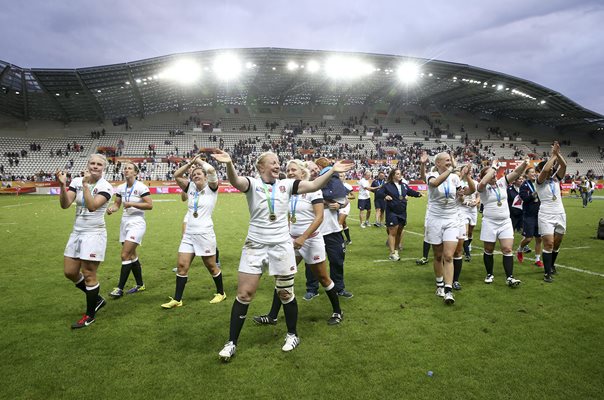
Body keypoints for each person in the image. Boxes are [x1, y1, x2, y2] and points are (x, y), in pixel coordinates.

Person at [212, 151, 352, 361]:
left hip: (281, 246)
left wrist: (332, 170)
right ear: (261, 167)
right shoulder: (252, 184)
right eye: (273, 163)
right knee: (244, 294)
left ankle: (292, 334)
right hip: (255, 245)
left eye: (279, 162)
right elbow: (235, 181)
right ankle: (231, 342)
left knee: (285, 293)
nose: (278, 165)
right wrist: (230, 163)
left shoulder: (287, 185)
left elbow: (314, 186)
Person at [253, 159, 343, 326]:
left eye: (293, 170)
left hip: (311, 240)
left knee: (323, 278)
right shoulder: (288, 191)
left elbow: (319, 217)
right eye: (288, 170)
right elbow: (287, 216)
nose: (290, 172)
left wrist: (303, 237)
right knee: (283, 276)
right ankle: (272, 316)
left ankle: (338, 311)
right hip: (292, 241)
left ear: (303, 173)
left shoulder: (313, 191)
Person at [160, 155, 226, 309]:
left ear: (205, 177)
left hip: (204, 233)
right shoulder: (190, 188)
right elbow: (176, 175)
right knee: (182, 266)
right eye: (193, 175)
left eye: (198, 174)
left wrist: (198, 162)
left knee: (211, 266)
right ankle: (177, 299)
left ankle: (221, 293)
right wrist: (190, 163)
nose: (195, 176)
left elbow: (211, 169)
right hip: (189, 234)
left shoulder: (212, 189)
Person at [56, 154, 113, 329]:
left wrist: (86, 186)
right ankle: (97, 298)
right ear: (87, 164)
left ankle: (90, 315)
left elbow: (92, 206)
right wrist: (63, 185)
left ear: (104, 168)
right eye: (92, 163)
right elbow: (65, 205)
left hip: (94, 234)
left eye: (99, 164)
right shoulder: (77, 181)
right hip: (77, 232)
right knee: (70, 272)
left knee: (89, 274)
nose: (95, 166)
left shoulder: (106, 187)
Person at [304, 160, 354, 300]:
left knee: (337, 260)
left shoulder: (330, 183)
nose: (314, 171)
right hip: (314, 231)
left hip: (333, 229)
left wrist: (338, 204)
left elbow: (345, 200)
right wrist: (326, 203)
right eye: (311, 169)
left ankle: (339, 288)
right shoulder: (305, 187)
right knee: (312, 263)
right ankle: (312, 289)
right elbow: (309, 203)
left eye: (316, 168)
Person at [477, 157, 530, 287]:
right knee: (488, 249)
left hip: (505, 221)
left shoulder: (502, 182)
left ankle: (510, 277)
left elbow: (516, 173)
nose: (494, 175)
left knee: (507, 249)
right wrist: (493, 167)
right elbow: (483, 183)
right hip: (489, 222)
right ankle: (489, 274)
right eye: (490, 173)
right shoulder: (482, 187)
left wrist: (524, 164)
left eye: (494, 173)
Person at [106, 162, 153, 298]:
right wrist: (112, 209)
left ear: (135, 172)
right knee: (132, 255)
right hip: (124, 222)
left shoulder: (141, 187)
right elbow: (117, 204)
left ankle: (119, 288)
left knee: (124, 255)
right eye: (125, 168)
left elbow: (150, 205)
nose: (126, 170)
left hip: (137, 223)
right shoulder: (120, 188)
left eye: (129, 168)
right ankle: (140, 284)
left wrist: (132, 203)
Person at [424, 152, 464, 305]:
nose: (449, 162)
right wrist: (451, 169)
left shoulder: (455, 178)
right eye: (446, 160)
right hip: (435, 219)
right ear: (438, 163)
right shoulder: (431, 175)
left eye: (450, 160)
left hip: (451, 219)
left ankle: (448, 290)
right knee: (438, 255)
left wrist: (461, 195)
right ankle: (439, 284)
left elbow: (460, 196)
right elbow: (435, 184)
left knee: (448, 256)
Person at [535, 142, 567, 282]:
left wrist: (558, 154)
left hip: (560, 213)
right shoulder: (539, 181)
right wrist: (553, 156)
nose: (552, 170)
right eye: (549, 169)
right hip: (546, 215)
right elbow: (546, 169)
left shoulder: (555, 180)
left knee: (557, 243)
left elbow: (564, 166)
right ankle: (547, 273)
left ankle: (552, 265)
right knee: (548, 243)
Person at [378, 168, 422, 261]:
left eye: (400, 173)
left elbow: (410, 192)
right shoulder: (387, 186)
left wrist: (418, 194)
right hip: (392, 211)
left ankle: (396, 250)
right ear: (393, 175)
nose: (399, 175)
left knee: (399, 232)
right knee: (392, 232)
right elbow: (379, 192)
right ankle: (392, 253)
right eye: (397, 174)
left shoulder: (404, 185)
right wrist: (385, 196)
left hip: (402, 211)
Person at [517, 166, 543, 267]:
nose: (534, 174)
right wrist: (533, 195)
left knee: (539, 238)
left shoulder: (539, 183)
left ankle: (537, 259)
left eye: (534, 172)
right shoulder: (524, 185)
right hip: (529, 214)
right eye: (531, 172)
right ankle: (520, 249)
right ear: (527, 174)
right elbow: (524, 198)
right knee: (528, 238)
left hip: (540, 214)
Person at [459, 174, 480, 262]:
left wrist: (476, 202)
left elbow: (478, 195)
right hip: (463, 209)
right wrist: (466, 203)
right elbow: (459, 197)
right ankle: (468, 254)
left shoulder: (475, 183)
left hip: (473, 210)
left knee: (470, 232)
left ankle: (467, 245)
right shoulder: (460, 183)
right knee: (465, 231)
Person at [416, 151, 432, 265]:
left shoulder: (453, 178)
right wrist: (422, 164)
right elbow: (423, 176)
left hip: (450, 214)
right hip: (432, 212)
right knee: (428, 233)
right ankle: (425, 256)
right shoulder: (432, 176)